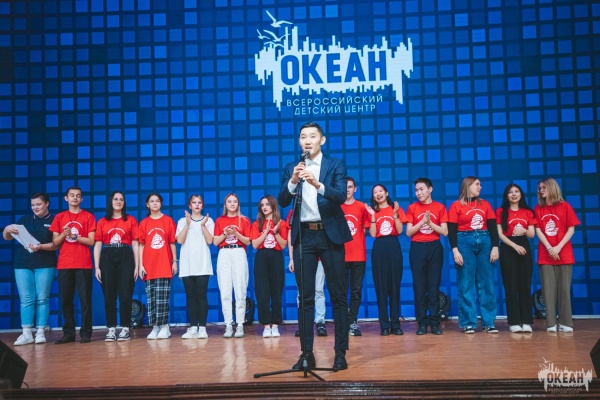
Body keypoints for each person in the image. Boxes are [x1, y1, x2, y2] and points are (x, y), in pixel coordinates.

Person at [278, 121, 352, 371]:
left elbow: (340, 196)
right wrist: (293, 181)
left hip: (330, 235)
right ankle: (306, 354)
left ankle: (340, 353)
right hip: (305, 237)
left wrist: (318, 184)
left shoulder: (335, 165)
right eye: (303, 137)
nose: (307, 141)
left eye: (312, 136)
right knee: (305, 297)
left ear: (322, 140)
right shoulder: (292, 167)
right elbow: (282, 200)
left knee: (338, 296)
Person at [3, 192, 58, 345]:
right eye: (33, 205)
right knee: (26, 299)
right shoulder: (25, 220)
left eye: (38, 204)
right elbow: (7, 237)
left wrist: (40, 247)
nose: (35, 207)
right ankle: (26, 333)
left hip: (45, 263)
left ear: (47, 203)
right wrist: (7, 229)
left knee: (42, 298)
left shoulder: (54, 220)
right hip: (22, 264)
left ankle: (40, 332)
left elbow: (56, 244)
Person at [447, 177, 499, 334]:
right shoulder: (456, 205)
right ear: (468, 186)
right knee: (466, 282)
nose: (480, 187)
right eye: (477, 184)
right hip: (464, 242)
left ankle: (488, 322)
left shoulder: (485, 204)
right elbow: (451, 230)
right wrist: (455, 250)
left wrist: (495, 247)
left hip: (485, 241)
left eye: (480, 184)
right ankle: (469, 323)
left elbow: (492, 227)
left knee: (486, 283)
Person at [50, 186, 96, 344]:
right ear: (66, 198)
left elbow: (91, 241)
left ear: (81, 199)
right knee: (66, 300)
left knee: (85, 301)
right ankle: (68, 334)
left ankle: (86, 333)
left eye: (78, 196)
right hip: (65, 264)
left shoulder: (88, 216)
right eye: (72, 195)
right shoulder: (60, 217)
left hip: (83, 264)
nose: (75, 198)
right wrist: (65, 234)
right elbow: (55, 242)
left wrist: (74, 236)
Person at [534, 178, 580, 333]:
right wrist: (549, 247)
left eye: (544, 187)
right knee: (548, 291)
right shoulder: (538, 208)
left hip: (564, 254)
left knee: (564, 290)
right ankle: (551, 323)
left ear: (552, 188)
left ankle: (566, 322)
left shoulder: (565, 206)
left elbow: (571, 229)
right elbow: (538, 230)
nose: (541, 190)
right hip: (545, 255)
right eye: (540, 188)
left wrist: (558, 247)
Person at [93, 191, 139, 342]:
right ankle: (111, 329)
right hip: (107, 256)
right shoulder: (102, 221)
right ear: (110, 202)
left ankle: (125, 328)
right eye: (115, 199)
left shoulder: (130, 220)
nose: (118, 202)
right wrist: (97, 266)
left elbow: (135, 243)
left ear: (124, 202)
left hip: (126, 255)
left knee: (126, 294)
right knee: (109, 295)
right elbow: (98, 244)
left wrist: (137, 265)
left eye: (121, 199)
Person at [406, 178, 448, 335]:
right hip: (417, 248)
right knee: (419, 287)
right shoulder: (412, 208)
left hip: (434, 247)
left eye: (421, 189)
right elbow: (409, 232)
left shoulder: (439, 207)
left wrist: (430, 224)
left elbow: (444, 231)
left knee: (433, 286)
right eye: (416, 190)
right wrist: (422, 222)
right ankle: (422, 323)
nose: (418, 193)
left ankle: (435, 323)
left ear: (430, 189)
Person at [366, 184, 408, 336]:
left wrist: (395, 214)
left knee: (394, 287)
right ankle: (384, 325)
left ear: (386, 193)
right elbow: (372, 234)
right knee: (381, 288)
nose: (378, 194)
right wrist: (372, 216)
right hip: (379, 247)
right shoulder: (372, 211)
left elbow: (400, 230)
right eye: (375, 192)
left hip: (393, 246)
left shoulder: (395, 209)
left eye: (380, 191)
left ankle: (395, 324)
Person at [496, 183, 537, 333]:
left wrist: (524, 230)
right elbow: (500, 234)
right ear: (506, 196)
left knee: (524, 285)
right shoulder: (500, 211)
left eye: (516, 191)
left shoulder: (528, 211)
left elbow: (532, 234)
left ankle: (526, 321)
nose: (514, 194)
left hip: (524, 247)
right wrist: (514, 246)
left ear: (521, 194)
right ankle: (514, 322)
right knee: (511, 286)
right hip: (508, 247)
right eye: (510, 192)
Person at [139, 192, 177, 340]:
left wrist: (174, 261)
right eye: (152, 201)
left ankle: (164, 326)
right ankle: (155, 326)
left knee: (162, 298)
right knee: (151, 299)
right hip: (149, 266)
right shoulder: (144, 223)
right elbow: (141, 245)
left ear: (161, 203)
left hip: (164, 264)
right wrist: (141, 265)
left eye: (157, 201)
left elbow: (172, 242)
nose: (155, 203)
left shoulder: (168, 221)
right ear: (147, 205)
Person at [176, 194, 215, 339]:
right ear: (189, 205)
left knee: (201, 296)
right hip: (187, 265)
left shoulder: (208, 220)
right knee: (191, 297)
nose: (197, 205)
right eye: (194, 202)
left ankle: (202, 328)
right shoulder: (182, 221)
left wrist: (203, 225)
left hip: (202, 264)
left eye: (199, 202)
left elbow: (210, 240)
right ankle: (193, 328)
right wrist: (187, 224)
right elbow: (179, 240)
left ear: (202, 205)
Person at [213, 193, 251, 339]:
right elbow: (215, 242)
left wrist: (236, 233)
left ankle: (240, 324)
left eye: (235, 201)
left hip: (239, 251)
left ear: (238, 204)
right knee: (225, 290)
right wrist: (225, 233)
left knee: (240, 289)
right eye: (229, 201)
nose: (232, 204)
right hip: (224, 253)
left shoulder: (244, 220)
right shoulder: (220, 220)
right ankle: (228, 324)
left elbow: (248, 241)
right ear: (225, 204)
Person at [286, 210, 328, 338]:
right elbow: (291, 234)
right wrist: (291, 258)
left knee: (318, 290)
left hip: (320, 258)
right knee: (302, 291)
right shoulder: (295, 210)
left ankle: (320, 322)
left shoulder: (320, 207)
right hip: (302, 256)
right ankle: (303, 323)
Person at [250, 195, 288, 338]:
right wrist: (265, 231)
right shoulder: (257, 224)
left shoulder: (281, 223)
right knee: (262, 291)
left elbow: (283, 245)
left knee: (276, 291)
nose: (264, 207)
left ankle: (276, 325)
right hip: (261, 257)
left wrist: (275, 232)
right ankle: (266, 326)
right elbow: (255, 244)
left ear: (273, 205)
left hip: (276, 257)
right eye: (262, 205)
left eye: (267, 204)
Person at [340, 177, 370, 336]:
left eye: (350, 187)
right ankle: (343, 322)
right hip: (341, 256)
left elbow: (364, 229)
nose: (347, 189)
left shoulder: (361, 207)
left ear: (355, 189)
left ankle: (352, 322)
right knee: (341, 291)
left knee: (356, 291)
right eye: (345, 187)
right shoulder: (337, 207)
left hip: (358, 255)